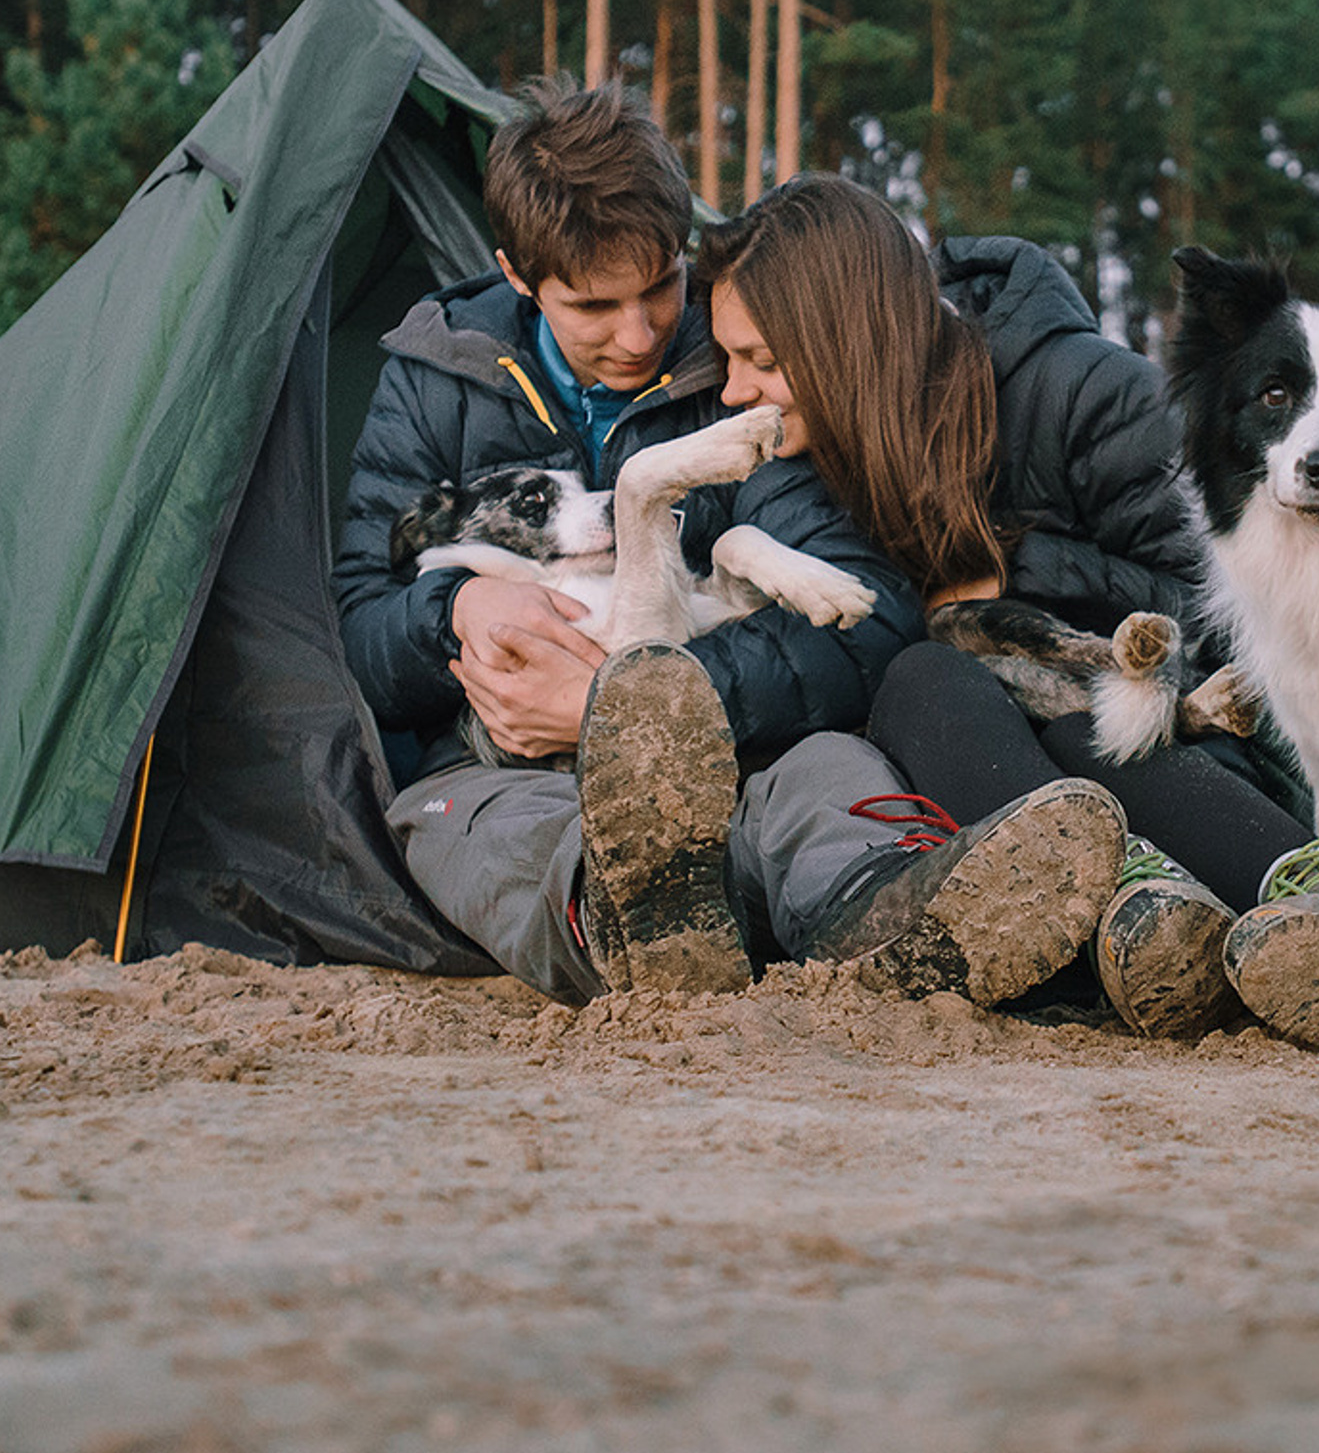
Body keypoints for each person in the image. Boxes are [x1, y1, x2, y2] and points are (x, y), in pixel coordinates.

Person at [333, 77, 1119, 1009]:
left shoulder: (741, 364)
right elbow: (357, 623)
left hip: (745, 749)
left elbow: (867, 613)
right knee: (482, 830)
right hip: (503, 771)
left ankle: (902, 923)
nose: (639, 335)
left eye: (662, 284)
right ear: (516, 274)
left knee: (829, 777)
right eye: (593, 307)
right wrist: (450, 610)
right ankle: (638, 932)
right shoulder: (435, 380)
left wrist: (639, 706)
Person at [699, 176, 1319, 1050]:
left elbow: (1250, 607)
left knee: (1045, 709)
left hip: (1251, 745)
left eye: (764, 363)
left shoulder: (1083, 390)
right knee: (926, 676)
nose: (735, 391)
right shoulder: (821, 456)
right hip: (1071, 770)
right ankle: (1140, 911)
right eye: (730, 360)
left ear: (847, 343)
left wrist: (1017, 566)